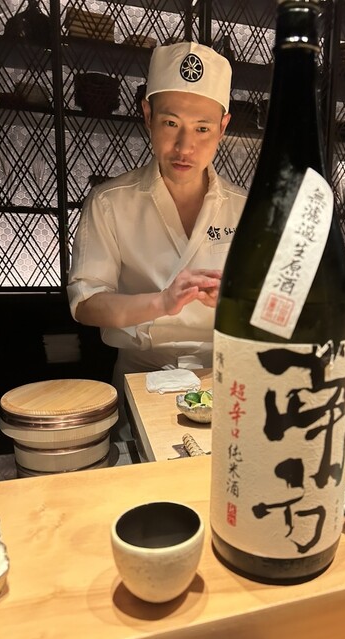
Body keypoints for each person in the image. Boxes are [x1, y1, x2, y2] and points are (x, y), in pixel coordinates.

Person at [67, 42, 247, 437]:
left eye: (202, 128)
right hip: (141, 379)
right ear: (147, 115)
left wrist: (237, 301)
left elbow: (277, 305)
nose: (185, 147)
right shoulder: (110, 202)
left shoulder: (247, 209)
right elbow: (86, 303)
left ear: (223, 127)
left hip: (228, 380)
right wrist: (162, 302)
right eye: (170, 123)